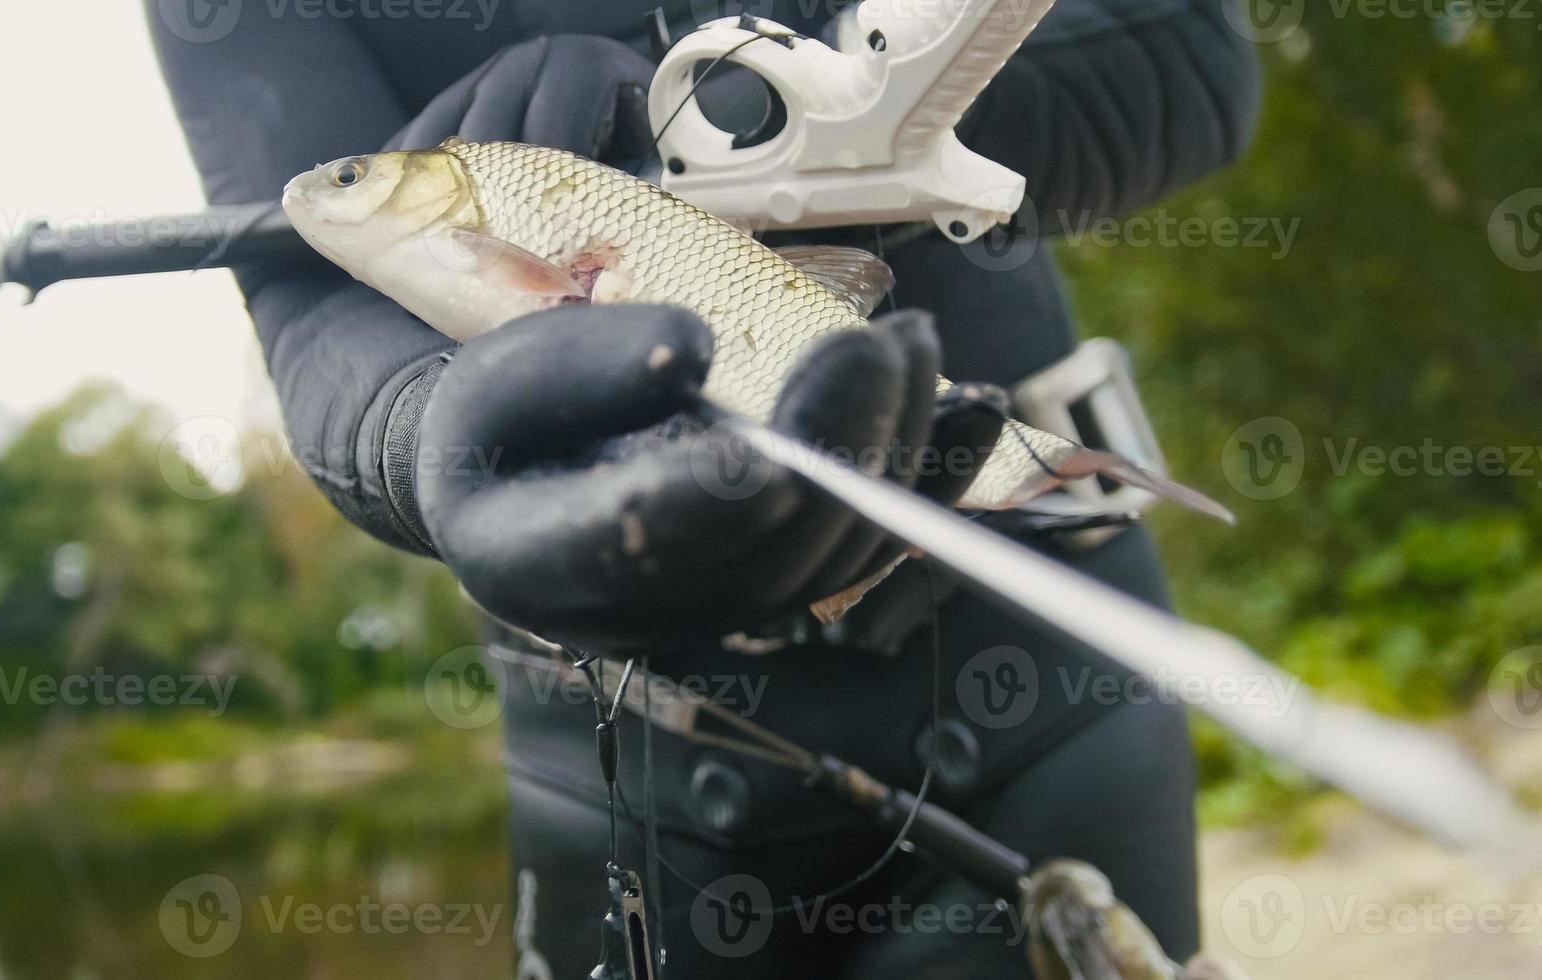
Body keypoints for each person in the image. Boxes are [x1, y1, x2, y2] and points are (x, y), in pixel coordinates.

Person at [148, 2, 1260, 976]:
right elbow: (309, 303)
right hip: (619, 764)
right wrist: (424, 431)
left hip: (1041, 671)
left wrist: (787, 125)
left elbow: (1187, 50)